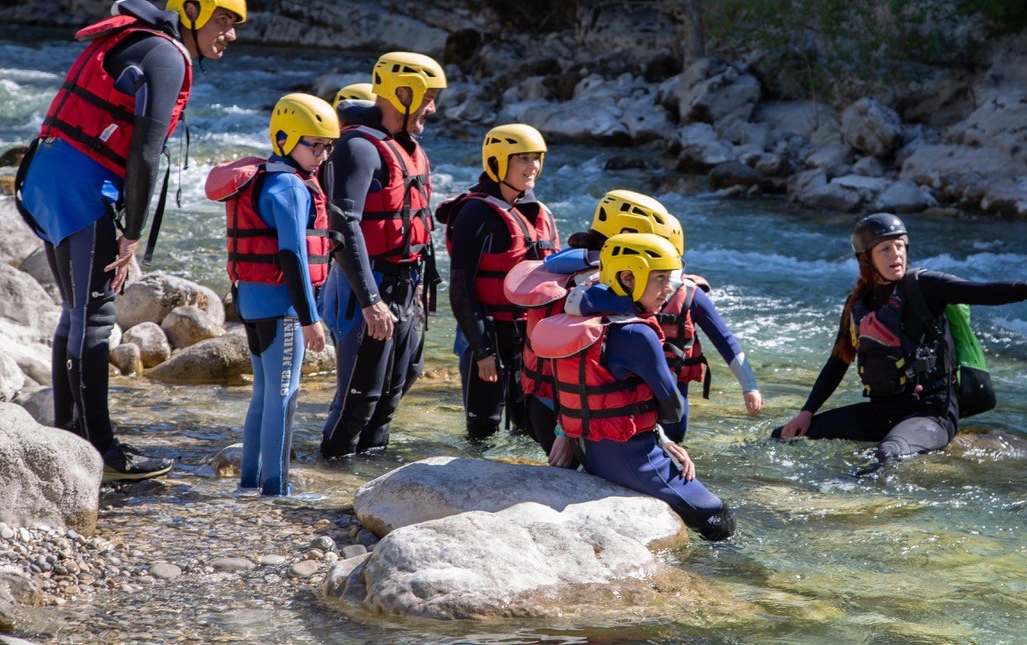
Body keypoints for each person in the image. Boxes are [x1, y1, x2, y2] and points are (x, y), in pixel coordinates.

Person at [15, 0, 247, 482]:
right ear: (190, 13)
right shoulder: (166, 56)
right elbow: (144, 152)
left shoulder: (142, 42)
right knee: (95, 316)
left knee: (76, 311)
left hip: (48, 175)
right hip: (80, 187)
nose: (230, 34)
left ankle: (72, 435)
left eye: (235, 24)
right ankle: (101, 449)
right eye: (223, 21)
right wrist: (133, 232)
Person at [775, 213, 1027, 468]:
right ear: (866, 258)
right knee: (785, 437)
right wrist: (807, 412)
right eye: (885, 248)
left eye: (900, 246)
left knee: (888, 454)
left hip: (932, 413)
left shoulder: (926, 285)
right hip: (882, 411)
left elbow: (985, 291)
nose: (896, 254)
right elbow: (838, 361)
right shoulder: (858, 304)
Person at [531, 233, 735, 541]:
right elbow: (673, 409)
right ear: (628, 277)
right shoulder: (637, 333)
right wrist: (662, 435)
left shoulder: (583, 319)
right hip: (632, 456)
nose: (670, 288)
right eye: (662, 278)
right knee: (717, 515)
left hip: (590, 450)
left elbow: (573, 391)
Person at [205, 94, 338, 496]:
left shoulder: (266, 178)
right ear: (284, 139)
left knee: (264, 393)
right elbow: (294, 256)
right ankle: (276, 491)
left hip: (250, 300)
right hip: (282, 307)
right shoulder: (291, 189)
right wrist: (310, 317)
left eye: (326, 145)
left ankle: (250, 483)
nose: (321, 154)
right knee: (285, 397)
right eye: (313, 144)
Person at [319, 51, 446, 459]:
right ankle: (330, 481)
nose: (433, 107)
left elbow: (416, 223)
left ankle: (367, 487)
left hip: (407, 288)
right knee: (360, 401)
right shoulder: (358, 147)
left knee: (392, 395)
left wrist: (423, 289)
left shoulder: (408, 148)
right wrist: (371, 300)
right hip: (372, 287)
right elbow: (342, 225)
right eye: (427, 97)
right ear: (401, 92)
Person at [563, 190, 763, 442]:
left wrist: (750, 386)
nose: (666, 285)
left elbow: (725, 340)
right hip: (625, 402)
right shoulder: (607, 289)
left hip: (671, 396)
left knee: (673, 445)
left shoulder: (688, 293)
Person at [436, 124, 559, 440]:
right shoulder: (476, 213)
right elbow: (461, 287)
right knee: (482, 428)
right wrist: (482, 351)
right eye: (522, 159)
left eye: (536, 159)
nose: (532, 167)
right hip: (488, 333)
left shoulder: (535, 211)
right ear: (497, 161)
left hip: (527, 336)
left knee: (528, 428)